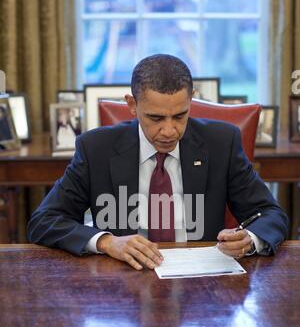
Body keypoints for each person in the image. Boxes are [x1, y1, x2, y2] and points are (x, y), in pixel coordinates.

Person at [28, 54, 288, 271]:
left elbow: (270, 215)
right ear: (132, 105)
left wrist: (248, 240)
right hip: (123, 280)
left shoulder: (221, 143)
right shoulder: (96, 148)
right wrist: (108, 242)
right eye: (155, 118)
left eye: (179, 116)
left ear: (191, 99)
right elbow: (45, 220)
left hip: (204, 285)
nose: (169, 131)